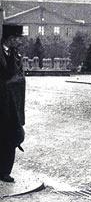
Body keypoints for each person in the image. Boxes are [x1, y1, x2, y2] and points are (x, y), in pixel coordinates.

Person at [0, 22, 26, 183]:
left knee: (15, 134)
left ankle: (5, 172)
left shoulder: (15, 53)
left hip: (12, 103)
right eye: (18, 38)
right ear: (10, 38)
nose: (20, 42)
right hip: (1, 101)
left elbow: (18, 73)